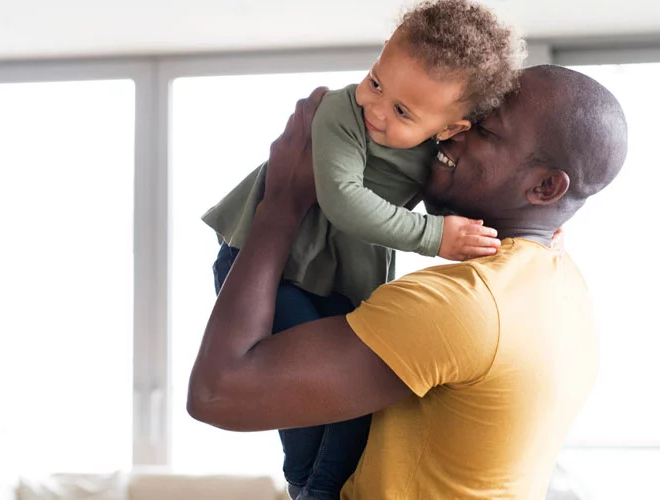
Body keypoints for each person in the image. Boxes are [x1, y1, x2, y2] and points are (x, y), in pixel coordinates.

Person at [188, 64, 628, 499]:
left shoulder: (465, 304)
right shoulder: (562, 284)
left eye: (484, 131)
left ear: (546, 187)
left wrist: (282, 202)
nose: (450, 132)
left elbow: (217, 393)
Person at [200, 1, 523, 498]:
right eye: (376, 81)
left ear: (450, 129)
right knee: (303, 404)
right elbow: (342, 201)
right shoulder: (340, 113)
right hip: (271, 267)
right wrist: (436, 237)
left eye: (401, 110)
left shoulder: (437, 152)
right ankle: (311, 491)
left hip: (338, 278)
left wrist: (525, 231)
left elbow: (466, 195)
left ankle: (316, 488)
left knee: (351, 409)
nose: (374, 106)